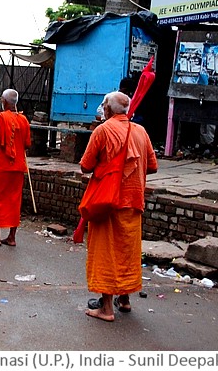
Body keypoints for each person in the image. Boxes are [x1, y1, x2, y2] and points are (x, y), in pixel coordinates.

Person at [80, 91, 158, 322]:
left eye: (103, 105)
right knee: (127, 252)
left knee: (107, 254)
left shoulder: (103, 131)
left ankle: (106, 308)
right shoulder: (141, 131)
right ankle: (124, 300)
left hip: (108, 201)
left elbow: (86, 166)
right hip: (134, 200)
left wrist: (110, 170)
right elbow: (152, 166)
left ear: (107, 109)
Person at [0, 89, 31, 247]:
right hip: (18, 167)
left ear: (4, 102)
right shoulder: (24, 120)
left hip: (2, 166)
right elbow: (27, 144)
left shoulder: (0, 118)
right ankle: (11, 237)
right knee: (14, 201)